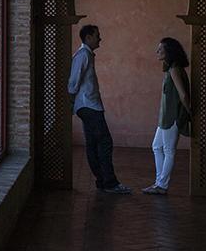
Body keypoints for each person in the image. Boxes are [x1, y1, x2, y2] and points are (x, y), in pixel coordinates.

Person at [68, 25, 132, 194]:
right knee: (104, 142)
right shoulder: (83, 55)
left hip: (87, 106)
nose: (100, 39)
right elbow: (73, 82)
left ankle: (103, 181)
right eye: (97, 36)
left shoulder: (87, 54)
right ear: (88, 37)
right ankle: (109, 183)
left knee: (93, 144)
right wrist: (71, 100)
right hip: (89, 106)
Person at [143, 37, 192, 195]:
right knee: (157, 146)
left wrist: (190, 112)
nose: (157, 52)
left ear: (169, 52)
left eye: (160, 49)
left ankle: (162, 185)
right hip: (165, 118)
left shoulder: (174, 69)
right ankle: (159, 182)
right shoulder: (170, 68)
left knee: (169, 150)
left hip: (173, 117)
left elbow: (183, 95)